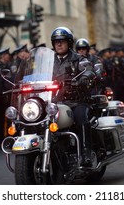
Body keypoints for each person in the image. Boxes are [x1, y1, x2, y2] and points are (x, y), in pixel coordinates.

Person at [51, 27, 96, 167]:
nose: (59, 44)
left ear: (69, 43)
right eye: (56, 41)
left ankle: (85, 152)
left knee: (80, 117)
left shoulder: (78, 59)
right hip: (54, 103)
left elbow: (89, 70)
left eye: (62, 41)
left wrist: (85, 77)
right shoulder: (49, 60)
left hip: (76, 101)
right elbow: (37, 74)